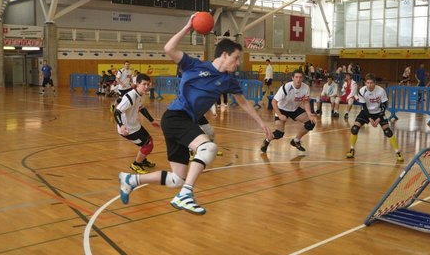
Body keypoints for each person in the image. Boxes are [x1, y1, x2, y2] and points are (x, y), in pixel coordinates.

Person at [118, 15, 272, 215]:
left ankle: (130, 180)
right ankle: (186, 195)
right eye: (236, 58)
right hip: (175, 117)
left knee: (177, 179)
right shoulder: (195, 65)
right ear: (224, 55)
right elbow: (168, 49)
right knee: (208, 147)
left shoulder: (229, 80)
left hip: (182, 122)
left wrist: (261, 122)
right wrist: (187, 27)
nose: (237, 64)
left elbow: (243, 102)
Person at [346, 73, 404, 162]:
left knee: (388, 131)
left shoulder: (381, 91)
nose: (369, 85)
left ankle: (397, 152)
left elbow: (384, 105)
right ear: (365, 83)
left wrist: (378, 118)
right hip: (366, 112)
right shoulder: (362, 91)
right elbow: (364, 107)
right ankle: (352, 149)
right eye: (368, 83)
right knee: (354, 128)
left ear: (375, 83)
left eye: (371, 83)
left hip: (379, 112)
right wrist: (369, 118)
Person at [260, 69, 316, 153]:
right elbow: (274, 102)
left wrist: (309, 114)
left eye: (300, 77)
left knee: (310, 123)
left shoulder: (305, 88)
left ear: (303, 78)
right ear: (292, 78)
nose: (298, 79)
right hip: (282, 109)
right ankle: (267, 140)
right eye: (296, 77)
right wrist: (279, 115)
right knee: (279, 134)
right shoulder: (286, 87)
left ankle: (296, 141)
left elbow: (306, 102)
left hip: (294, 109)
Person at [113, 73, 160, 174]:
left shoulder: (141, 94)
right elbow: (117, 112)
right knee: (148, 145)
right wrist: (121, 126)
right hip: (127, 129)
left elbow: (141, 108)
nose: (146, 87)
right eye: (144, 84)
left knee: (149, 140)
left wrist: (151, 120)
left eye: (148, 84)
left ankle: (142, 160)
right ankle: (136, 164)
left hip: (135, 125)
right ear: (137, 84)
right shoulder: (130, 97)